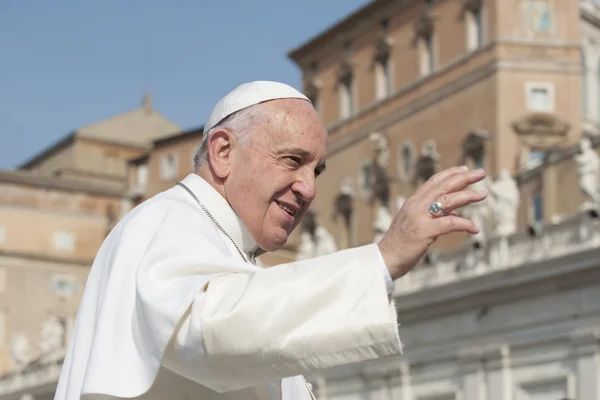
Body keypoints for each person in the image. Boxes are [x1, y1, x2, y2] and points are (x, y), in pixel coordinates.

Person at [55, 81, 487, 400]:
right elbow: (209, 329)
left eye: (316, 171)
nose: (308, 188)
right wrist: (382, 258)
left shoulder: (224, 245)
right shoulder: (168, 220)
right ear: (223, 152)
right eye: (292, 161)